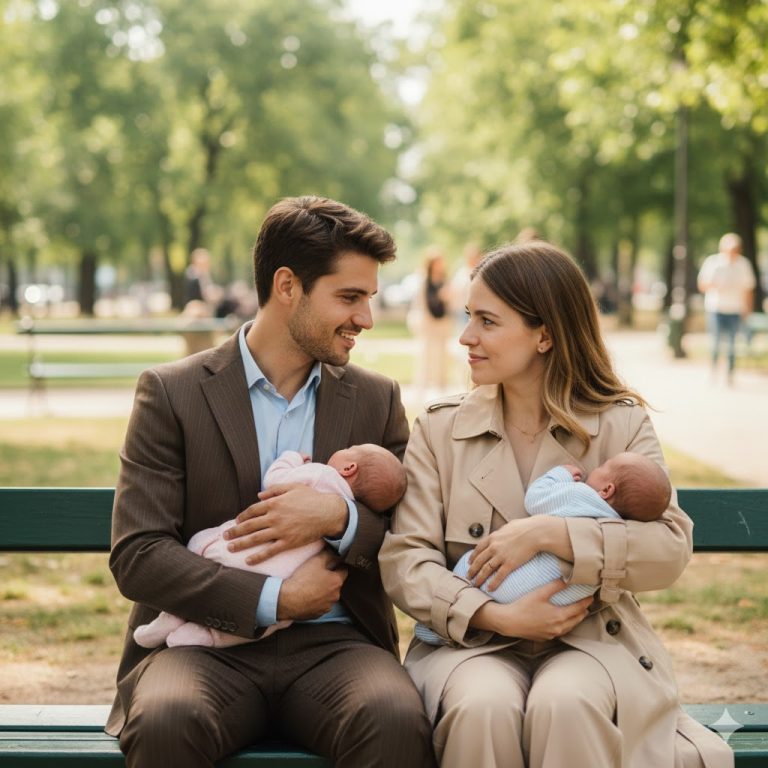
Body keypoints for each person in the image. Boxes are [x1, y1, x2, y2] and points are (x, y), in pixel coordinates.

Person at [107, 195, 435, 768]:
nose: (366, 318)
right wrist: (273, 597)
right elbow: (139, 554)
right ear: (288, 286)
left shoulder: (377, 400)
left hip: (337, 647)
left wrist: (340, 518)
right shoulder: (171, 393)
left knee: (394, 718)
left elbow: (407, 538)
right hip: (201, 646)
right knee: (165, 721)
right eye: (349, 297)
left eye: (369, 299)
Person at [379, 241, 733, 768]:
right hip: (469, 642)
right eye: (468, 316)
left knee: (566, 703)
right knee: (483, 705)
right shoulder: (440, 428)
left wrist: (554, 535)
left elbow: (668, 548)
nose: (465, 336)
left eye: (487, 321)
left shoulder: (621, 423)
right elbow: (407, 561)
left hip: (595, 642)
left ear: (544, 333)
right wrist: (498, 615)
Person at [133, 445, 407, 648]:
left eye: (350, 449)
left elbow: (275, 481)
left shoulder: (321, 473)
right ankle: (207, 637)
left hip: (244, 558)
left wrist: (293, 460)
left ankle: (172, 619)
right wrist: (278, 599)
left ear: (349, 468)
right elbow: (142, 549)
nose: (345, 449)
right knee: (274, 621)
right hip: (279, 585)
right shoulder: (171, 389)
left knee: (204, 544)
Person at [413, 454, 671, 645]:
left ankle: (441, 630)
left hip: (505, 586)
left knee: (473, 564)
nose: (596, 467)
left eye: (603, 467)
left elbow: (536, 499)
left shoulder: (581, 496)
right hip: (563, 601)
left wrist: (559, 475)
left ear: (606, 490)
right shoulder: (620, 525)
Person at [697, 233, 756, 384]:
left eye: (735, 249)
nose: (732, 252)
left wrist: (748, 309)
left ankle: (730, 374)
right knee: (715, 343)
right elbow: (701, 284)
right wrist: (715, 285)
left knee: (731, 345)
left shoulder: (743, 264)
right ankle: (713, 371)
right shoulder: (713, 262)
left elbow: (748, 288)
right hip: (715, 308)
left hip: (735, 309)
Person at [408, 248, 454, 394]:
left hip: (441, 323)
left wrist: (446, 297)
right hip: (427, 324)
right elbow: (419, 304)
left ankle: (442, 388)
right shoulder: (423, 280)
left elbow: (451, 303)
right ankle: (420, 389)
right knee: (425, 355)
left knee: (442, 357)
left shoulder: (445, 280)